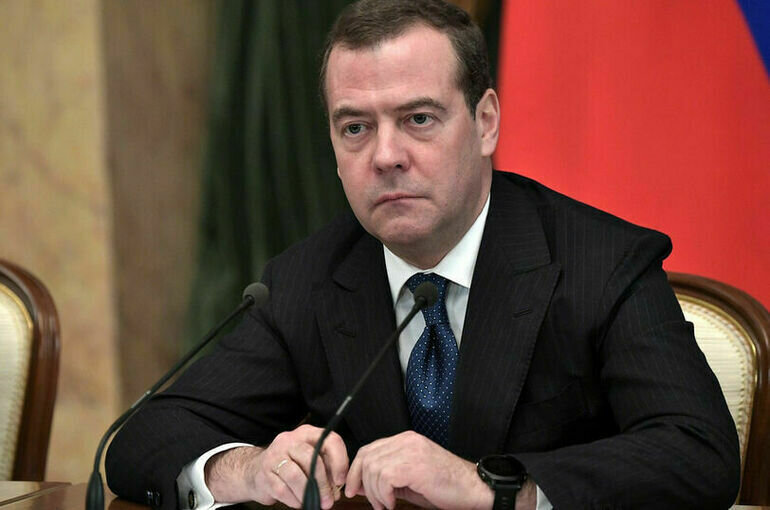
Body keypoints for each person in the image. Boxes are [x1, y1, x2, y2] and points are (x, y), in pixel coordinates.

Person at [105, 1, 740, 509]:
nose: (385, 156)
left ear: (485, 122)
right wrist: (249, 468)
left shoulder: (600, 262)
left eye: (418, 119)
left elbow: (698, 454)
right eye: (355, 127)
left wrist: (493, 488)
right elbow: (143, 440)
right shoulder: (306, 280)